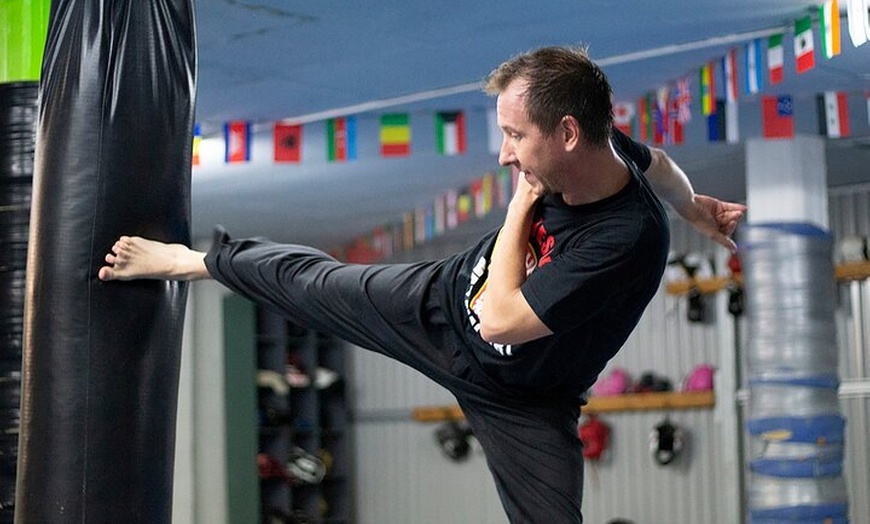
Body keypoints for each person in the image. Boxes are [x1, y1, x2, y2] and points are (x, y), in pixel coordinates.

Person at [99, 46, 745, 523]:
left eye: (516, 137)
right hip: (441, 303)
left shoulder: (623, 238)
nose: (504, 155)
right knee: (317, 284)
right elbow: (661, 165)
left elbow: (498, 322)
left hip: (525, 398)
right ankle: (187, 261)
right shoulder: (610, 149)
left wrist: (522, 204)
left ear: (569, 134)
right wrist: (696, 209)